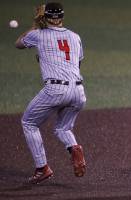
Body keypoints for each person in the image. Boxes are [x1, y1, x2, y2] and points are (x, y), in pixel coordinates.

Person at [15, 2, 87, 184]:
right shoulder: (75, 36)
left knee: (29, 122)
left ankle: (42, 168)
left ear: (45, 16)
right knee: (63, 128)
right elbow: (77, 63)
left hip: (55, 89)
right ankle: (74, 147)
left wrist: (35, 23)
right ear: (62, 17)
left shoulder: (38, 35)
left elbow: (18, 44)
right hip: (78, 90)